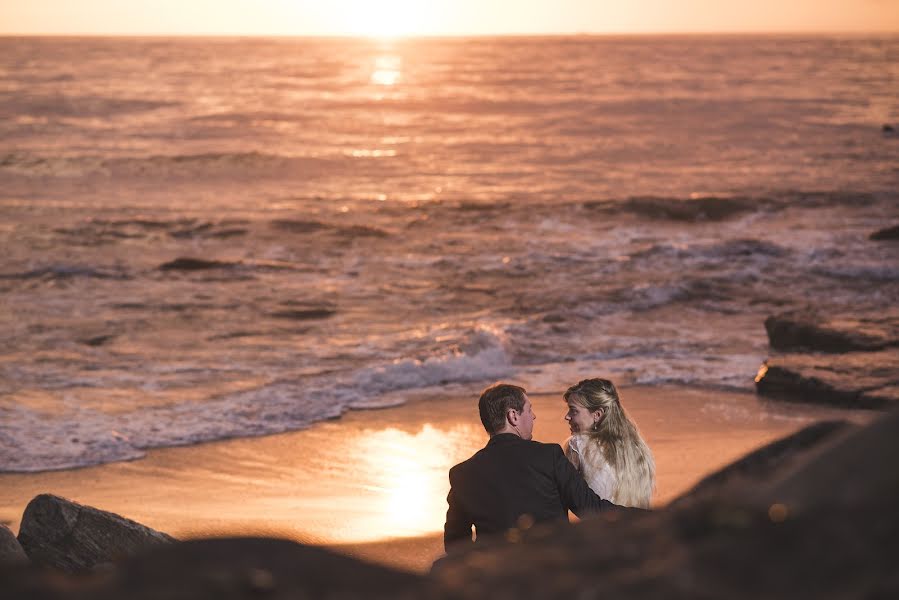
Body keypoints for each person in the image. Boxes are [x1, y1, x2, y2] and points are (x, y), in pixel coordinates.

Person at [443, 383, 618, 552]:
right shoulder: (549, 456)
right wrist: (641, 517)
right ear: (513, 416)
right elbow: (590, 508)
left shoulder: (462, 474)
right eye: (529, 409)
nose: (533, 416)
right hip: (555, 568)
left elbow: (456, 545)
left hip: (498, 574)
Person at [562, 378, 655, 508]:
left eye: (573, 410)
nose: (567, 416)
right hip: (637, 525)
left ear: (597, 415)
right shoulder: (637, 448)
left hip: (602, 526)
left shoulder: (578, 445)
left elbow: (562, 496)